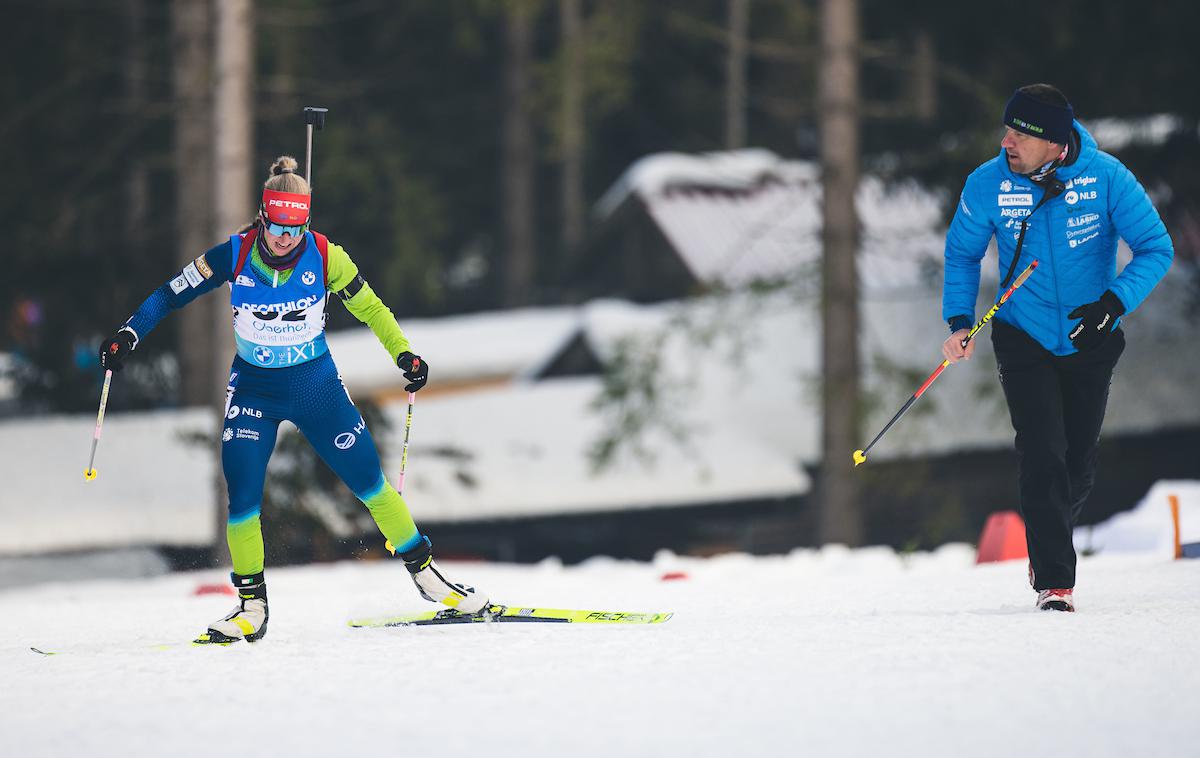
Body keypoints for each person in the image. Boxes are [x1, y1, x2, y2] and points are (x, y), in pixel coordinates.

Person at [100, 156, 489, 643]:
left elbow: (370, 307)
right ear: (263, 218)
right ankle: (251, 607)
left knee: (370, 483)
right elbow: (170, 294)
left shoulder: (326, 256)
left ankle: (431, 580)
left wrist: (404, 354)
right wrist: (129, 334)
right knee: (241, 496)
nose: (286, 238)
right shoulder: (234, 254)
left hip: (315, 386)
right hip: (254, 391)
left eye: (296, 227)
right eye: (278, 227)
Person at [941, 84, 1173, 612]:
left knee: (1077, 462)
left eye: (1020, 133)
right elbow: (961, 255)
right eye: (1007, 130)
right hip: (1022, 332)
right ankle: (1054, 582)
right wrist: (958, 321)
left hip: (1090, 335)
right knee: (1042, 450)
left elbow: (1156, 248)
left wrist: (1114, 303)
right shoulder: (987, 184)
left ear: (1053, 142)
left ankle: (1047, 537)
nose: (1007, 142)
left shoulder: (1107, 177)